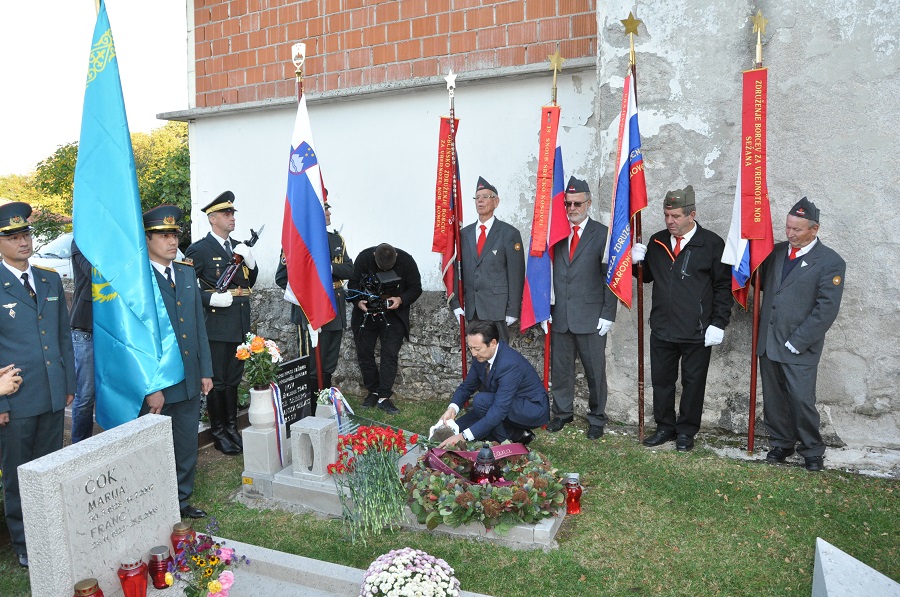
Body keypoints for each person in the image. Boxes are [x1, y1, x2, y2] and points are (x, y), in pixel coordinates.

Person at [0, 202, 75, 567]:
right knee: (18, 471)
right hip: (15, 398)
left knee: (50, 465)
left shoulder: (49, 279)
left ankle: (52, 529)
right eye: (12, 237)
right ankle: (25, 542)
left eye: (26, 234)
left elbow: (63, 336)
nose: (23, 242)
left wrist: (68, 384)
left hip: (51, 392)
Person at [632, 185, 732, 452]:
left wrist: (719, 322)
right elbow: (649, 277)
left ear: (692, 214)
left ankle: (687, 431)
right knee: (662, 382)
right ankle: (665, 426)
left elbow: (724, 287)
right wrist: (635, 264)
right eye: (666, 215)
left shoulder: (711, 244)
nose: (669, 221)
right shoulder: (658, 241)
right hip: (663, 329)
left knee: (693, 383)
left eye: (675, 216)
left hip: (697, 331)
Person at [758, 197, 845, 472]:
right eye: (788, 227)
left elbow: (825, 310)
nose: (790, 234)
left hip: (799, 345)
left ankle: (812, 449)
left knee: (801, 400)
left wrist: (798, 341)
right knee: (774, 398)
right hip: (769, 341)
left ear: (814, 229)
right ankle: (781, 443)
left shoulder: (830, 262)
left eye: (797, 229)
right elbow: (762, 284)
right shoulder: (776, 252)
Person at [140, 205, 214, 518]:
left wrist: (205, 371)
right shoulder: (139, 280)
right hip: (159, 382)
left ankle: (181, 501)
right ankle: (154, 503)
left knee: (185, 443)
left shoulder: (185, 272)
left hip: (189, 376)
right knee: (155, 447)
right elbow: (138, 340)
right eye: (163, 235)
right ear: (147, 239)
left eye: (174, 234)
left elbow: (197, 325)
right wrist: (150, 387)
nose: (172, 241)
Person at [184, 191, 258, 455]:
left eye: (233, 213)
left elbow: (249, 281)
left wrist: (251, 261)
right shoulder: (199, 249)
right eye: (226, 214)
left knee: (234, 379)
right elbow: (187, 288)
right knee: (218, 381)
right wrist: (210, 299)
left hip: (239, 323)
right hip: (216, 326)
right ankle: (219, 433)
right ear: (212, 218)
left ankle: (231, 429)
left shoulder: (237, 247)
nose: (232, 218)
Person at [547, 177, 618, 440]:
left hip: (591, 315)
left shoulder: (602, 234)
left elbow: (610, 277)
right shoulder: (556, 233)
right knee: (562, 369)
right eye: (568, 204)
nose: (572, 208)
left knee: (594, 371)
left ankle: (597, 417)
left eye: (577, 203)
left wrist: (608, 313)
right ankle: (562, 413)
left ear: (588, 203)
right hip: (561, 314)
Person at [275, 195, 353, 390]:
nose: (329, 213)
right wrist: (304, 296)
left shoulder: (336, 239)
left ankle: (324, 400)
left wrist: (329, 268)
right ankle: (310, 406)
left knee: (329, 361)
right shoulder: (297, 241)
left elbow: (350, 269)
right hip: (310, 309)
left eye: (328, 209)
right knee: (311, 361)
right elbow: (282, 277)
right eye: (325, 209)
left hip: (334, 305)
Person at [438, 320, 549, 446]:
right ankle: (517, 433)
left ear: (493, 343)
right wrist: (452, 409)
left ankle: (506, 443)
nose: (473, 353)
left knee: (481, 402)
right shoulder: (480, 356)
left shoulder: (509, 364)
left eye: (477, 348)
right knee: (455, 429)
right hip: (503, 402)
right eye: (470, 348)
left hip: (531, 408)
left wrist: (464, 437)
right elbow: (467, 386)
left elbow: (499, 409)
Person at [449, 177, 525, 344]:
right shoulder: (464, 234)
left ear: (496, 202)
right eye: (477, 197)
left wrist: (513, 309)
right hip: (473, 309)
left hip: (497, 308)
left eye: (485, 197)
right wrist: (455, 303)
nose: (480, 201)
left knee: (499, 358)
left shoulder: (508, 233)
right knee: (477, 355)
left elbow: (516, 274)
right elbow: (456, 269)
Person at [348, 243, 421, 414]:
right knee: (364, 353)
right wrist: (358, 301)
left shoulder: (407, 261)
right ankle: (373, 391)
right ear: (374, 255)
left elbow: (416, 288)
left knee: (389, 355)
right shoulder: (363, 258)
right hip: (366, 314)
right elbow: (352, 285)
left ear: (396, 256)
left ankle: (384, 397)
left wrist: (400, 299)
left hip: (393, 315)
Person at [69, 240, 95, 443]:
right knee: (85, 395)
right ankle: (79, 446)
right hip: (85, 327)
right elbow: (94, 273)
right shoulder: (81, 240)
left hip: (114, 327)